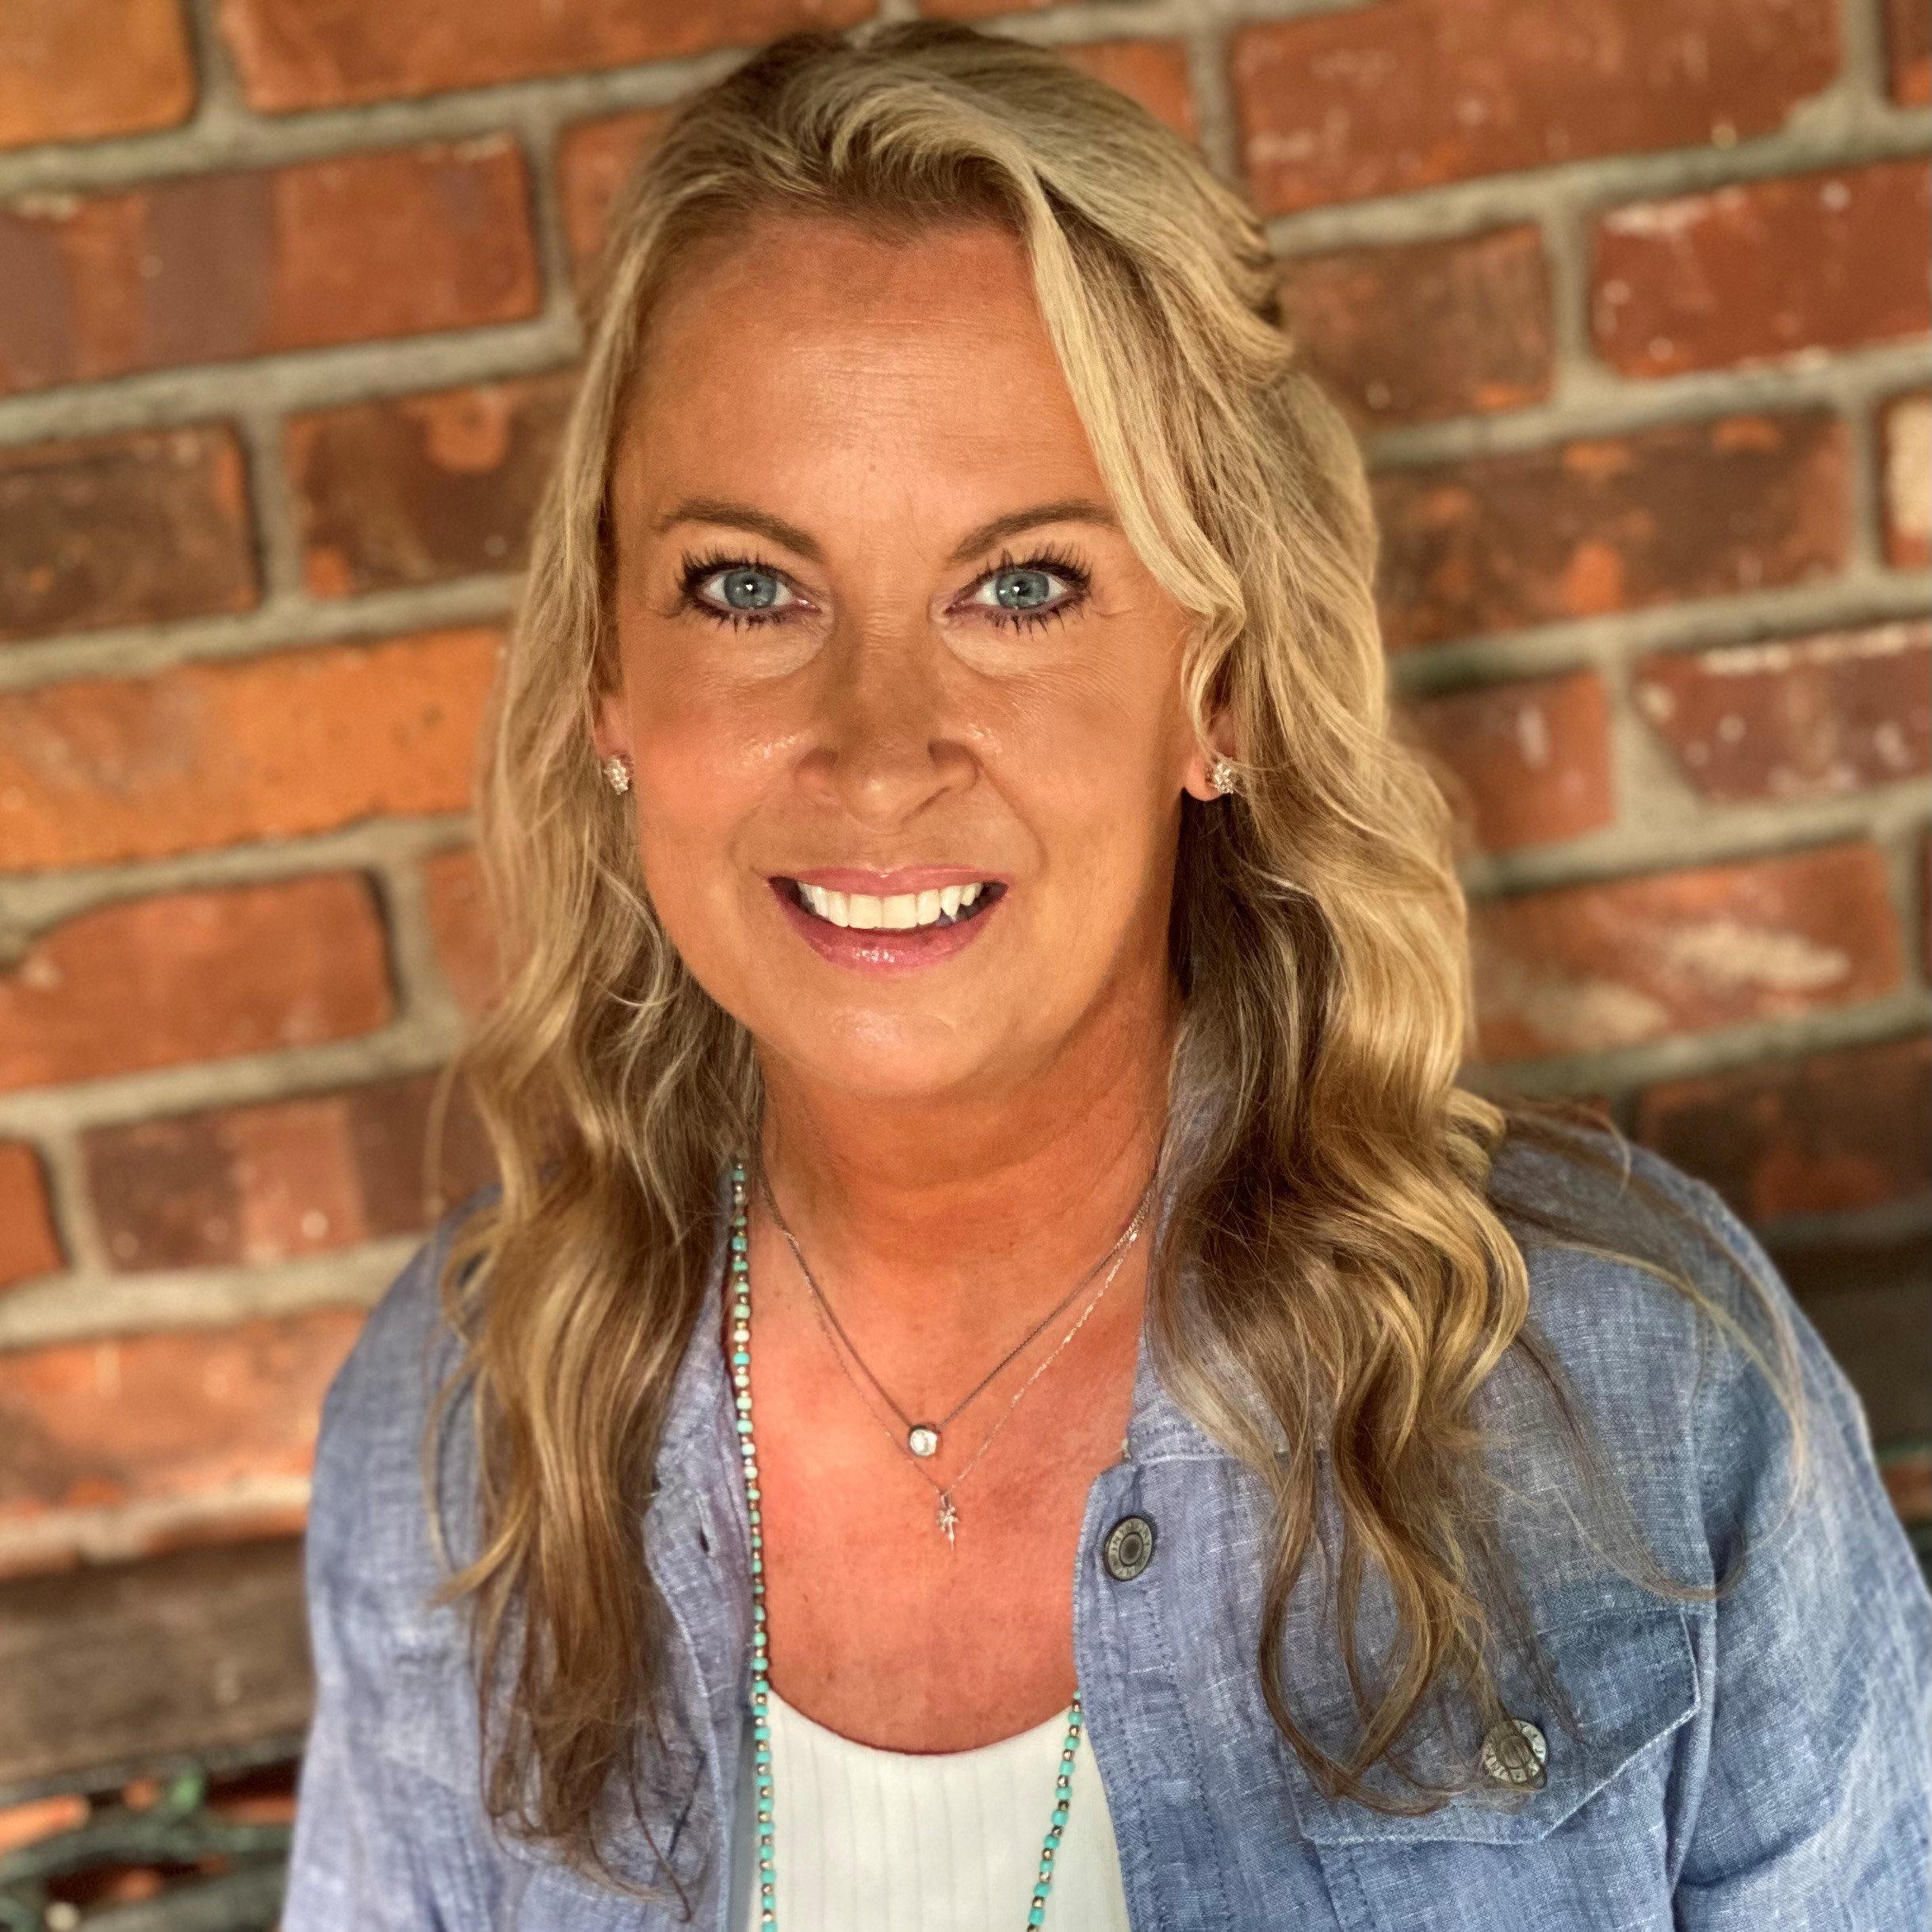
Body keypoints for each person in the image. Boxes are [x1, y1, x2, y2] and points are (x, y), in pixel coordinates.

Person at [281, 22, 1931, 1931]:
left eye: (1022, 586)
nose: (878, 745)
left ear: (1213, 691)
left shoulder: (1628, 1399)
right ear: (612, 686)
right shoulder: (459, 1437)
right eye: (749, 586)